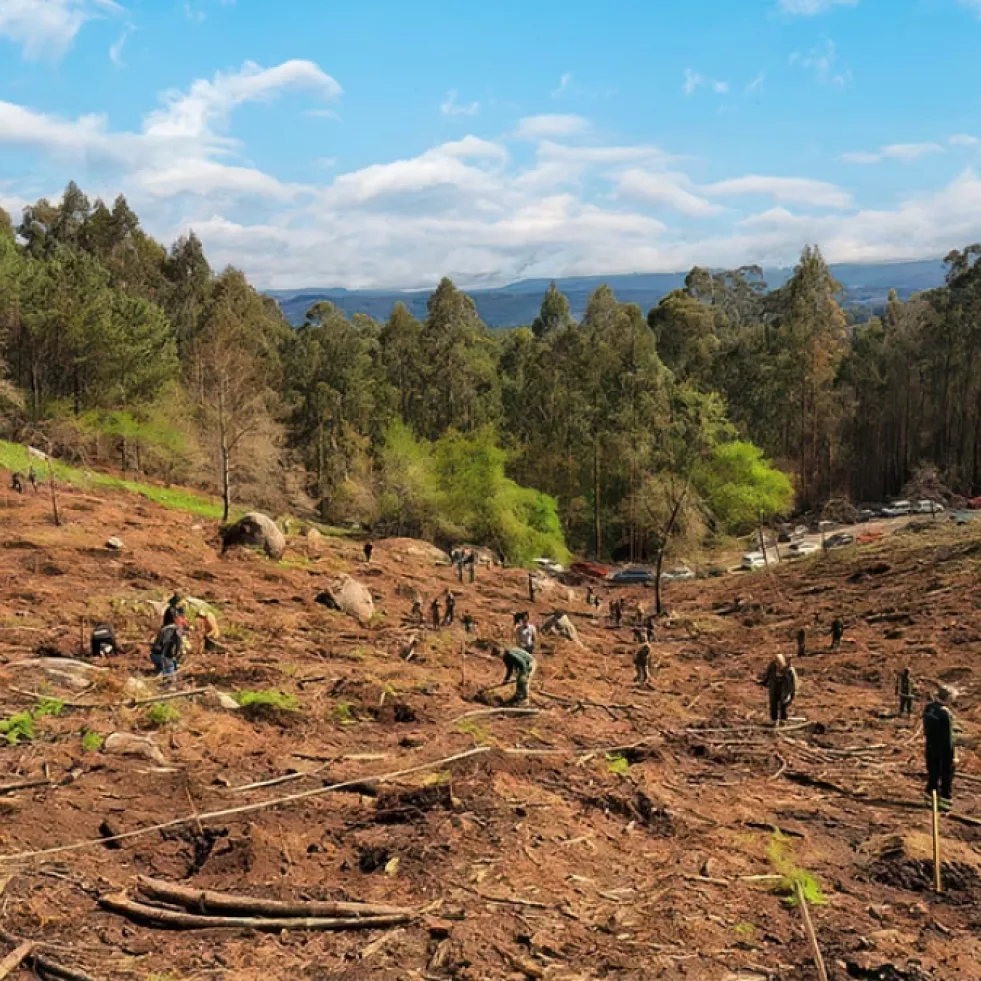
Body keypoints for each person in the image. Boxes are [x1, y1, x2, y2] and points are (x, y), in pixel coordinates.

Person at [923, 687, 957, 811]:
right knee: (946, 774)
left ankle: (930, 795)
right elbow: (948, 738)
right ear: (948, 698)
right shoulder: (944, 713)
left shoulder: (929, 708)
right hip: (943, 750)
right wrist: (953, 756)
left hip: (931, 746)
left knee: (933, 772)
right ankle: (945, 799)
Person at [761, 652, 797, 727]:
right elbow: (767, 675)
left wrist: (791, 695)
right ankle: (774, 720)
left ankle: (783, 720)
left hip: (784, 688)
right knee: (773, 703)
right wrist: (763, 682)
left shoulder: (789, 671)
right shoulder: (772, 666)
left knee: (783, 703)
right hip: (774, 686)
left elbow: (792, 685)